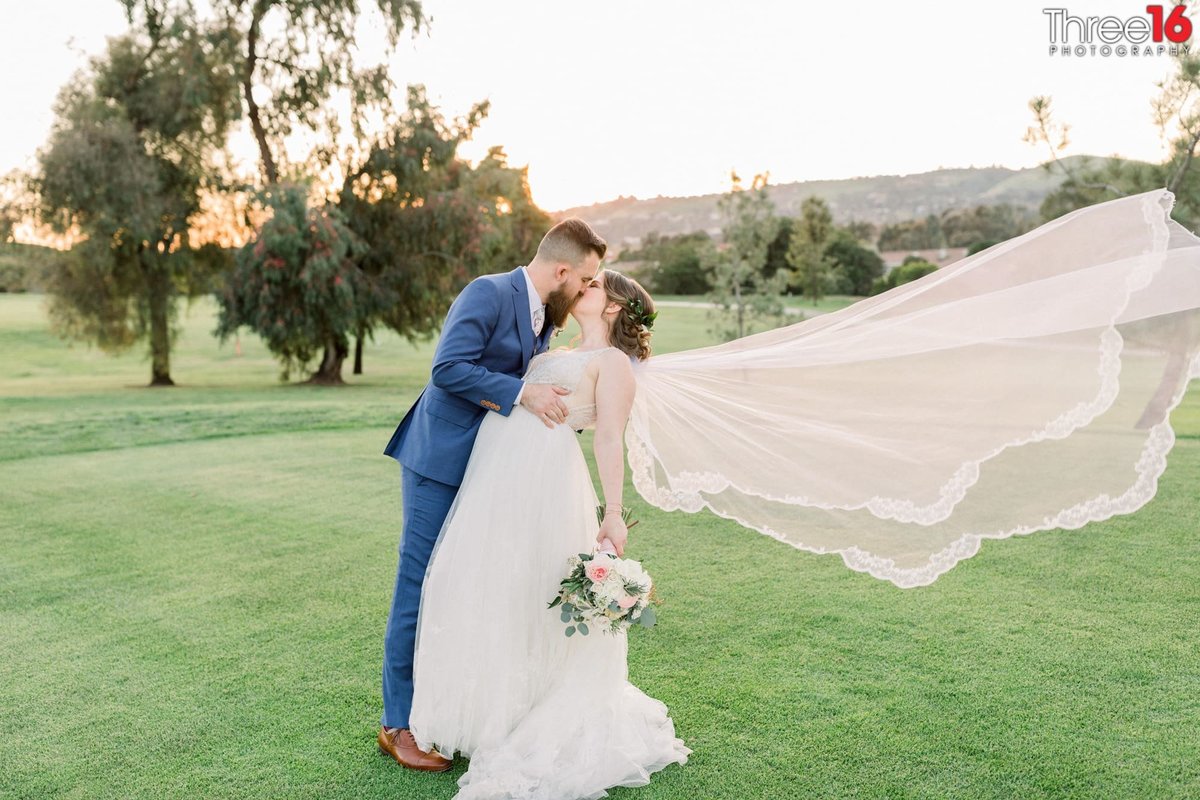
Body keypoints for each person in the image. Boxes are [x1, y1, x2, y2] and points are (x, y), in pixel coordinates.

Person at [408, 269, 691, 799]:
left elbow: (608, 438)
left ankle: (526, 718)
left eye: (593, 283)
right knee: (485, 585)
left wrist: (612, 512)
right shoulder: (551, 346)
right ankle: (491, 711)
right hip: (494, 474)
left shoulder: (613, 365)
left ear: (612, 307)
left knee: (533, 588)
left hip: (545, 480)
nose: (581, 284)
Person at [378, 218, 605, 771]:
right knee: (421, 581)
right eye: (586, 280)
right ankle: (398, 723)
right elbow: (448, 368)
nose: (586, 291)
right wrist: (522, 392)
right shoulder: (487, 292)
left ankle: (449, 709)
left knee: (464, 585)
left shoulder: (543, 318)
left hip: (492, 470)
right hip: (441, 461)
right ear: (561, 270)